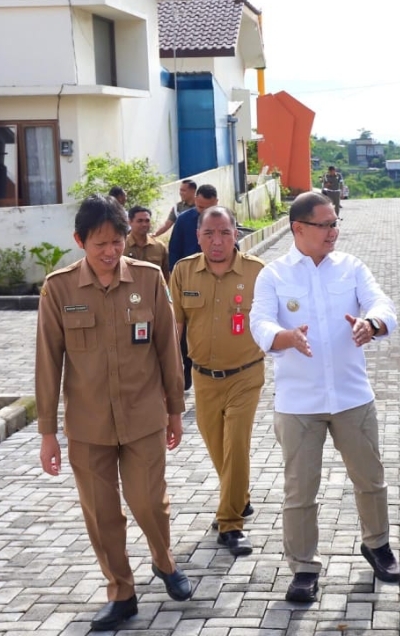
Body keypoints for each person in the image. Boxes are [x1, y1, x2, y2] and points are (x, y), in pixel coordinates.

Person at [35, 194, 191, 632]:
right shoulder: (59, 288)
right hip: (88, 426)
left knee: (147, 502)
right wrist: (48, 433)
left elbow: (167, 348)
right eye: (100, 243)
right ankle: (121, 593)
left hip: (143, 416)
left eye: (117, 241)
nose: (110, 252)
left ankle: (164, 561)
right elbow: (47, 363)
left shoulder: (148, 278)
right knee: (102, 515)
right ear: (79, 241)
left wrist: (175, 410)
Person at [250, 191, 400, 603]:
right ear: (298, 228)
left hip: (352, 397)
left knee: (370, 479)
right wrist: (284, 337)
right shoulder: (274, 275)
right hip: (299, 404)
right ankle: (303, 567)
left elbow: (382, 303)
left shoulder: (351, 267)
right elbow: (259, 321)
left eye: (335, 223)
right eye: (325, 224)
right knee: (300, 491)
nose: (334, 231)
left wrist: (373, 323)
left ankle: (377, 545)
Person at [169, 206, 265, 556]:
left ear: (236, 233)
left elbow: (273, 319)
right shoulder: (183, 272)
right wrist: (171, 371)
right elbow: (173, 326)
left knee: (236, 444)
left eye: (224, 232)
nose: (217, 241)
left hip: (246, 374)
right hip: (203, 377)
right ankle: (240, 497)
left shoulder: (257, 272)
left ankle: (230, 523)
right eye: (209, 234)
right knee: (218, 449)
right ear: (198, 237)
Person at [169, 184, 219, 390]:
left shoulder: (223, 218)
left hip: (215, 281)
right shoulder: (183, 220)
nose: (202, 212)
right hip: (188, 281)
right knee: (184, 326)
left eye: (207, 208)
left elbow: (234, 246)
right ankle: (187, 368)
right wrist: (174, 277)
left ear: (216, 203)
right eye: (199, 207)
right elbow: (173, 250)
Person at [126, 205, 171, 281]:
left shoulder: (159, 247)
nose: (144, 224)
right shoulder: (121, 245)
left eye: (147, 221)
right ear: (130, 222)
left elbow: (166, 275)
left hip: (152, 291)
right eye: (140, 221)